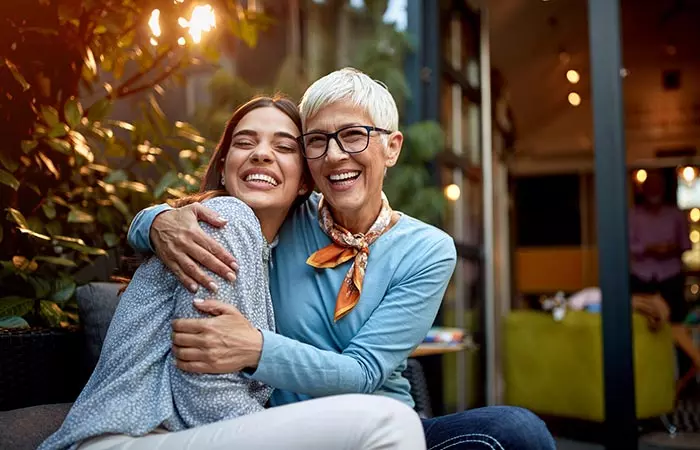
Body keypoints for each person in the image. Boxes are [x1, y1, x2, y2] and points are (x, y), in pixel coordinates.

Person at [128, 68, 556, 449]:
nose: (334, 155)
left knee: (515, 430)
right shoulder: (283, 217)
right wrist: (155, 221)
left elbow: (365, 372)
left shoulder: (428, 250)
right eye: (316, 141)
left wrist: (255, 348)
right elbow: (217, 209)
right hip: (283, 429)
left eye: (353, 135)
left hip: (386, 427)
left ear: (392, 147)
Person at [40, 96, 426, 450]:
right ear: (223, 168)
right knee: (390, 424)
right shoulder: (226, 220)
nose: (261, 154)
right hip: (130, 436)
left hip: (184, 435)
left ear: (305, 181)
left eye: (284, 146)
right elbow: (204, 391)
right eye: (244, 143)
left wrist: (149, 220)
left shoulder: (273, 250)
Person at [629, 169, 699, 368]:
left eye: (658, 185)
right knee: (640, 327)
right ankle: (642, 370)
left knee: (677, 327)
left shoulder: (675, 215)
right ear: (643, 189)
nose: (654, 189)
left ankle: (686, 382)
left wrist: (669, 249)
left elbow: (686, 245)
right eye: (650, 185)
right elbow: (629, 246)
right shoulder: (634, 216)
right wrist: (651, 249)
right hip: (641, 277)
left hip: (671, 277)